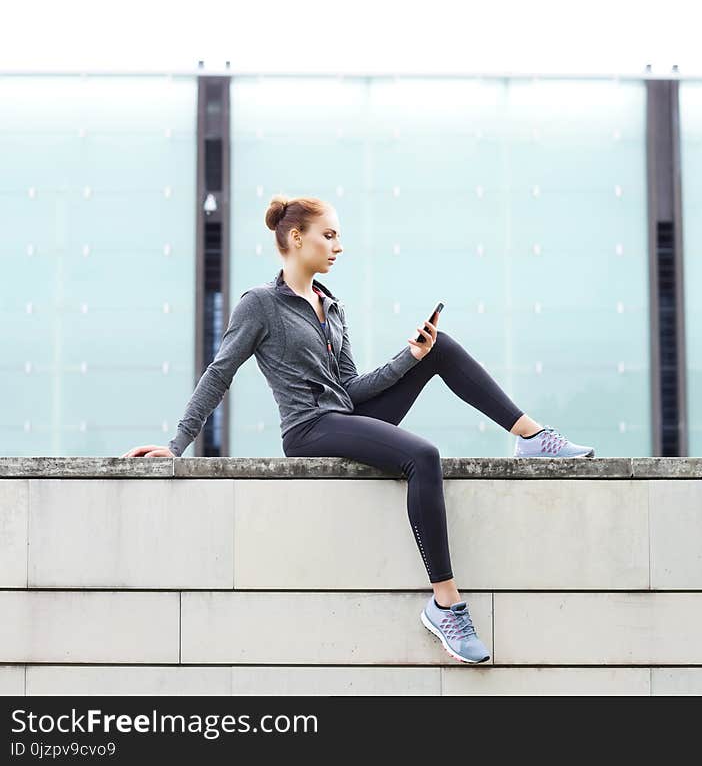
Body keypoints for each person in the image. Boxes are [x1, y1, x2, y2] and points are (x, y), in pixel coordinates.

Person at [121, 195, 596, 665]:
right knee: (423, 457)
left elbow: (351, 387)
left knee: (440, 348)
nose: (337, 246)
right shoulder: (260, 305)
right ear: (294, 237)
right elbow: (219, 373)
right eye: (328, 236)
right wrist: (175, 445)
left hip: (343, 415)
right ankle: (446, 606)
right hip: (310, 429)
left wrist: (410, 358)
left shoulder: (332, 306)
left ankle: (533, 438)